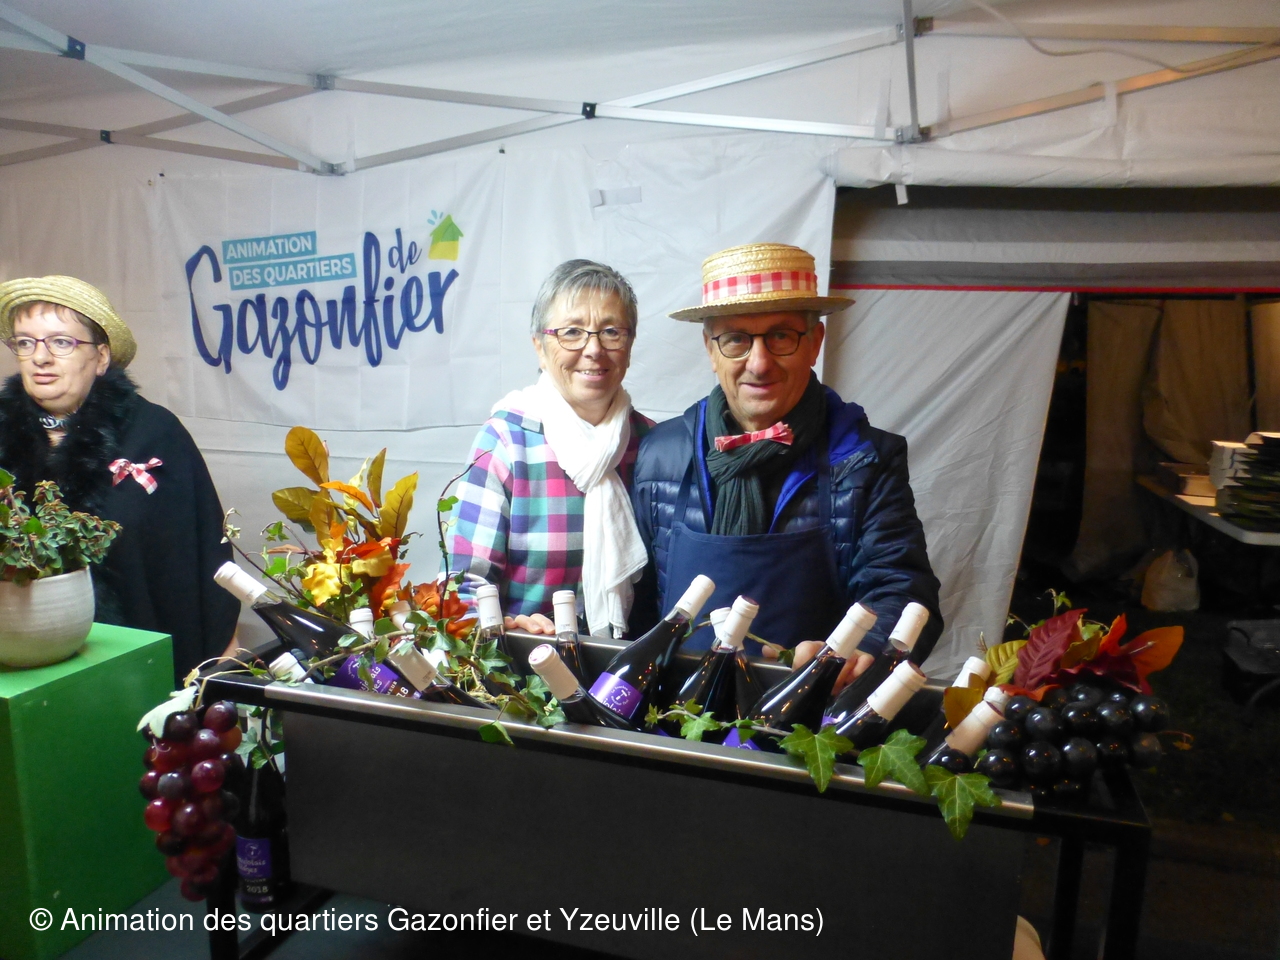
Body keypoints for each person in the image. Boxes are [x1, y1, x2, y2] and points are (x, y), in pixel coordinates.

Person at [631, 243, 942, 680]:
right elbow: (634, 603)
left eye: (781, 336)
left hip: (810, 706)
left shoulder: (865, 460)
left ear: (814, 343)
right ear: (711, 350)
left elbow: (903, 594)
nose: (759, 364)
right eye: (736, 339)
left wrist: (864, 651)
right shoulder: (661, 453)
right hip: (676, 710)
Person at [0, 276, 239, 683]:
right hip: (22, 668)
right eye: (26, 342)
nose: (40, 357)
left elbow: (206, 557)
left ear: (101, 357)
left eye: (61, 342)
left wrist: (217, 673)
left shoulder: (155, 433)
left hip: (141, 667)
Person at [449, 260, 653, 638]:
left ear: (629, 344)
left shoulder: (654, 445)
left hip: (634, 664)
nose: (593, 349)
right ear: (540, 348)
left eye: (611, 332)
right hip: (526, 665)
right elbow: (463, 589)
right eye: (572, 332)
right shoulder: (506, 443)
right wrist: (505, 627)